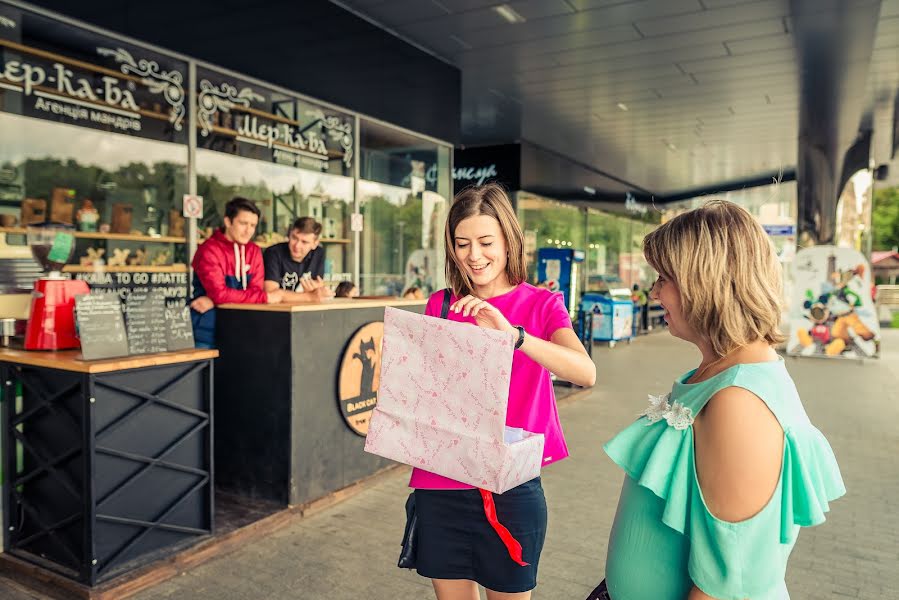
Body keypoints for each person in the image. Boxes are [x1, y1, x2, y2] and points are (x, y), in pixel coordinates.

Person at [593, 200, 845, 600]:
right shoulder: (719, 372)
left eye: (664, 279)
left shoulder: (740, 400)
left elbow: (729, 588)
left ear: (706, 282)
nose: (655, 292)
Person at [410, 183, 596, 600]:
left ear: (509, 241)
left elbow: (586, 372)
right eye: (462, 244)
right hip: (443, 479)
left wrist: (514, 335)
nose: (474, 255)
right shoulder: (441, 304)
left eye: (485, 242)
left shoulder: (542, 304)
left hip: (510, 483)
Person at [190, 197, 283, 347]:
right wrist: (264, 298)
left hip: (242, 328)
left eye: (253, 225)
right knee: (205, 371)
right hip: (208, 331)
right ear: (228, 222)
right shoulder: (209, 250)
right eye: (243, 223)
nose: (248, 231)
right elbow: (220, 294)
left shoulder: (254, 251)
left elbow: (255, 290)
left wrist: (214, 300)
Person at [263, 217, 332, 302]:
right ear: (289, 235)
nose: (297, 246)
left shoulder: (318, 254)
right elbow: (271, 294)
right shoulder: (273, 253)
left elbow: (316, 290)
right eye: (294, 238)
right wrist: (309, 296)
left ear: (315, 244)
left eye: (304, 242)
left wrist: (315, 291)